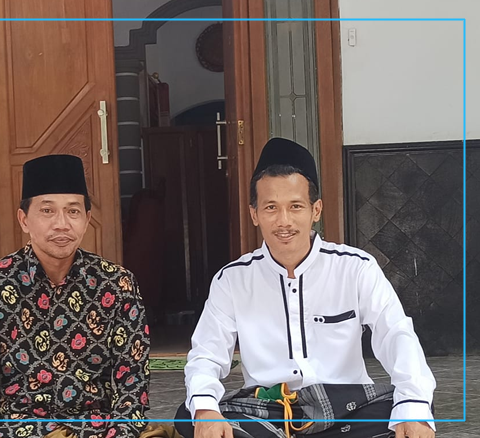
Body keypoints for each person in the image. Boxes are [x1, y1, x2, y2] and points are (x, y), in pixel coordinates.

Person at [174, 138, 436, 438]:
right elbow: (206, 355)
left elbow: (396, 334)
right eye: (271, 207)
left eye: (295, 206)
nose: (284, 221)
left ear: (316, 210)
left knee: (410, 407)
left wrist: (413, 406)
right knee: (190, 415)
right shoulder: (232, 280)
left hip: (347, 409)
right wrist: (206, 410)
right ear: (254, 214)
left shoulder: (356, 268)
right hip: (269, 410)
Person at [0, 155, 151, 438]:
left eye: (73, 211)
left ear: (87, 219)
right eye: (47, 210)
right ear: (24, 220)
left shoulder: (117, 284)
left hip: (94, 430)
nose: (61, 224)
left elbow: (132, 381)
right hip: (13, 430)